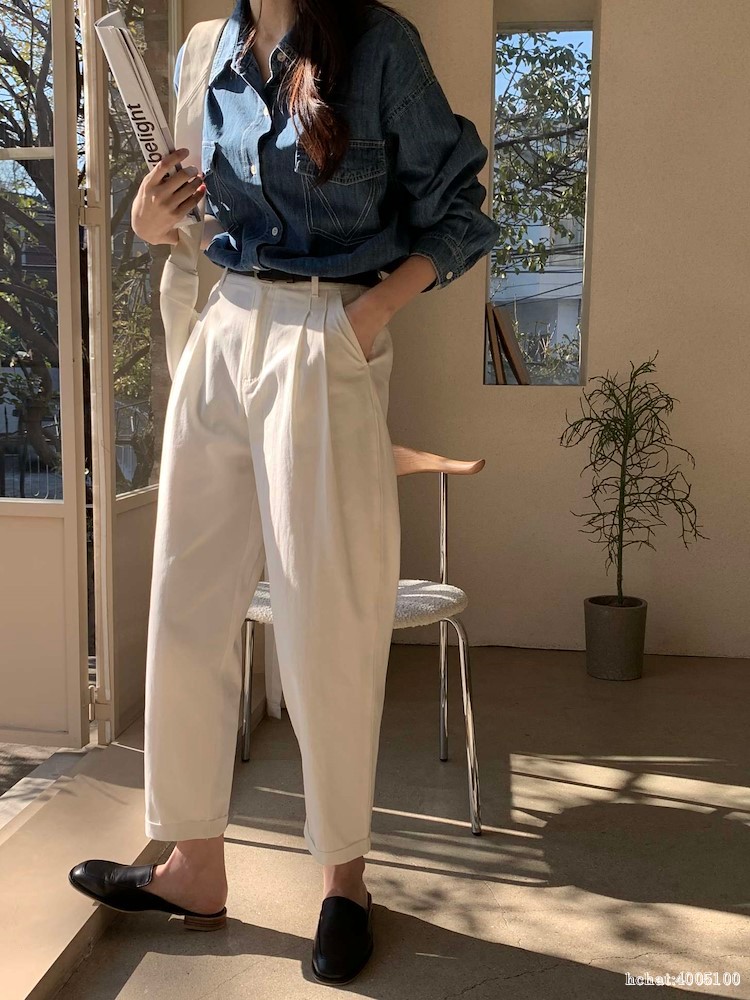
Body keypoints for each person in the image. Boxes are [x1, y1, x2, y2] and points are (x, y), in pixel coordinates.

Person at [69, 0, 500, 984]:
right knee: (186, 602)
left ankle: (345, 881)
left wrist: (366, 318)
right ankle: (192, 864)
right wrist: (148, 220)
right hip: (222, 327)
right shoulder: (206, 50)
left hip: (326, 331)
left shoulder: (379, 44)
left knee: (325, 620)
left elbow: (461, 211)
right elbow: (190, 222)